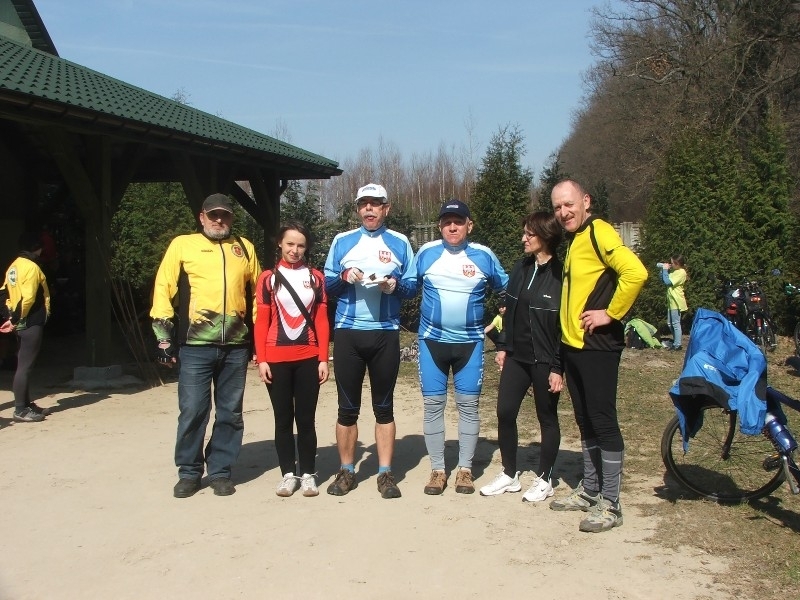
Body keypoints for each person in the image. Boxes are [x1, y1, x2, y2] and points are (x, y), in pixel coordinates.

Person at [549, 179, 647, 533]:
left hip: (598, 346)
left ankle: (612, 504)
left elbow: (636, 272)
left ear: (586, 201)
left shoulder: (599, 231)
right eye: (558, 207)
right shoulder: (576, 238)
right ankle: (590, 490)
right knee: (585, 420)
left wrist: (611, 313)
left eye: (569, 204)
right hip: (574, 346)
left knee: (603, 421)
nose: (563, 212)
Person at [151, 193, 261, 498]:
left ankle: (220, 471)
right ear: (202, 217)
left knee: (230, 413)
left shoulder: (244, 248)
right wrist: (163, 336)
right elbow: (163, 287)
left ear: (232, 218)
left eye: (225, 215)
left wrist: (260, 339)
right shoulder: (182, 244)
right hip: (195, 345)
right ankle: (189, 472)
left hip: (236, 346)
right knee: (193, 410)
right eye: (213, 215)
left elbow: (258, 295)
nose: (219, 220)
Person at [323, 183, 417, 499]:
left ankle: (385, 473)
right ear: (358, 209)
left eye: (375, 203)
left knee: (384, 408)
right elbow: (326, 286)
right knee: (347, 409)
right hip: (348, 334)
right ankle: (346, 471)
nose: (369, 209)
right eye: (364, 203)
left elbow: (412, 286)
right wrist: (343, 277)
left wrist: (394, 286)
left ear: (385, 208)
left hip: (384, 333)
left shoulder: (400, 242)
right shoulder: (342, 241)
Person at [414, 199, 508, 495]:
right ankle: (438, 470)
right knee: (433, 407)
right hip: (432, 343)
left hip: (470, 345)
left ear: (470, 225)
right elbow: (406, 286)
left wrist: (505, 328)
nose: (452, 227)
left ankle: (465, 470)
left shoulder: (484, 255)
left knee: (468, 407)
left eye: (458, 222)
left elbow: (506, 291)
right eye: (447, 222)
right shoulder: (426, 252)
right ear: (439, 226)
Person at [479, 212, 564, 502]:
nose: (523, 238)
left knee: (546, 418)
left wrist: (557, 366)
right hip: (517, 355)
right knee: (505, 412)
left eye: (529, 234)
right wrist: (503, 346)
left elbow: (564, 326)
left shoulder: (561, 274)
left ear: (546, 236)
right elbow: (510, 311)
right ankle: (509, 474)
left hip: (545, 359)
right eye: (524, 233)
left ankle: (545, 479)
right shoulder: (521, 267)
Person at [254, 222, 330, 498]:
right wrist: (262, 359)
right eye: (290, 244)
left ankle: (308, 474)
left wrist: (323, 358)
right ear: (280, 244)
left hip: (308, 357)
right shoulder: (268, 278)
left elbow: (321, 320)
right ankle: (288, 474)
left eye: (300, 245)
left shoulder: (316, 278)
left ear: (306, 248)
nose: (295, 250)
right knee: (283, 419)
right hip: (275, 359)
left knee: (306, 419)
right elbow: (261, 321)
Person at [0, 232, 51, 422]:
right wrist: (15, 318)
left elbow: (3, 292)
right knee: (25, 366)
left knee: (23, 363)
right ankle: (20, 409)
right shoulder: (32, 267)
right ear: (37, 248)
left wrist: (7, 315)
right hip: (30, 320)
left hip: (19, 320)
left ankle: (27, 404)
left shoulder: (13, 266)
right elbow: (28, 298)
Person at [659, 256, 688, 350]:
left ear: (677, 264)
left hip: (677, 301)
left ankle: (677, 345)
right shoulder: (674, 272)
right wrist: (663, 270)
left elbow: (668, 282)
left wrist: (665, 270)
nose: (670, 264)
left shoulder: (681, 272)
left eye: (672, 263)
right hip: (671, 301)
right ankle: (676, 342)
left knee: (675, 323)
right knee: (670, 324)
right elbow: (663, 280)